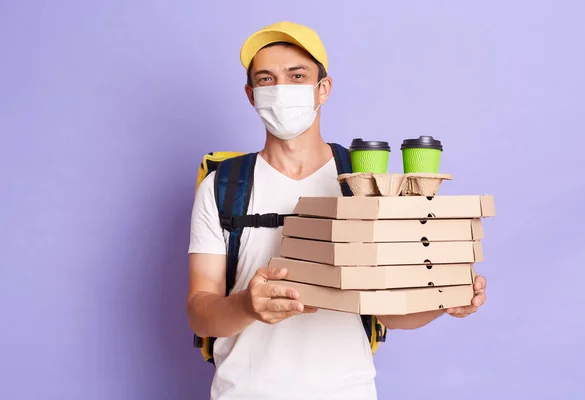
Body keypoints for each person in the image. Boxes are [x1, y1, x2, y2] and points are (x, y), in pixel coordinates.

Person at [186, 21, 487, 400]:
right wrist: (247, 305)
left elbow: (390, 312)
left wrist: (446, 300)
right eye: (267, 80)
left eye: (297, 76)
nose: (281, 90)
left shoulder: (366, 183)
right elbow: (200, 311)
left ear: (322, 89)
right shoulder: (223, 186)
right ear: (250, 94)